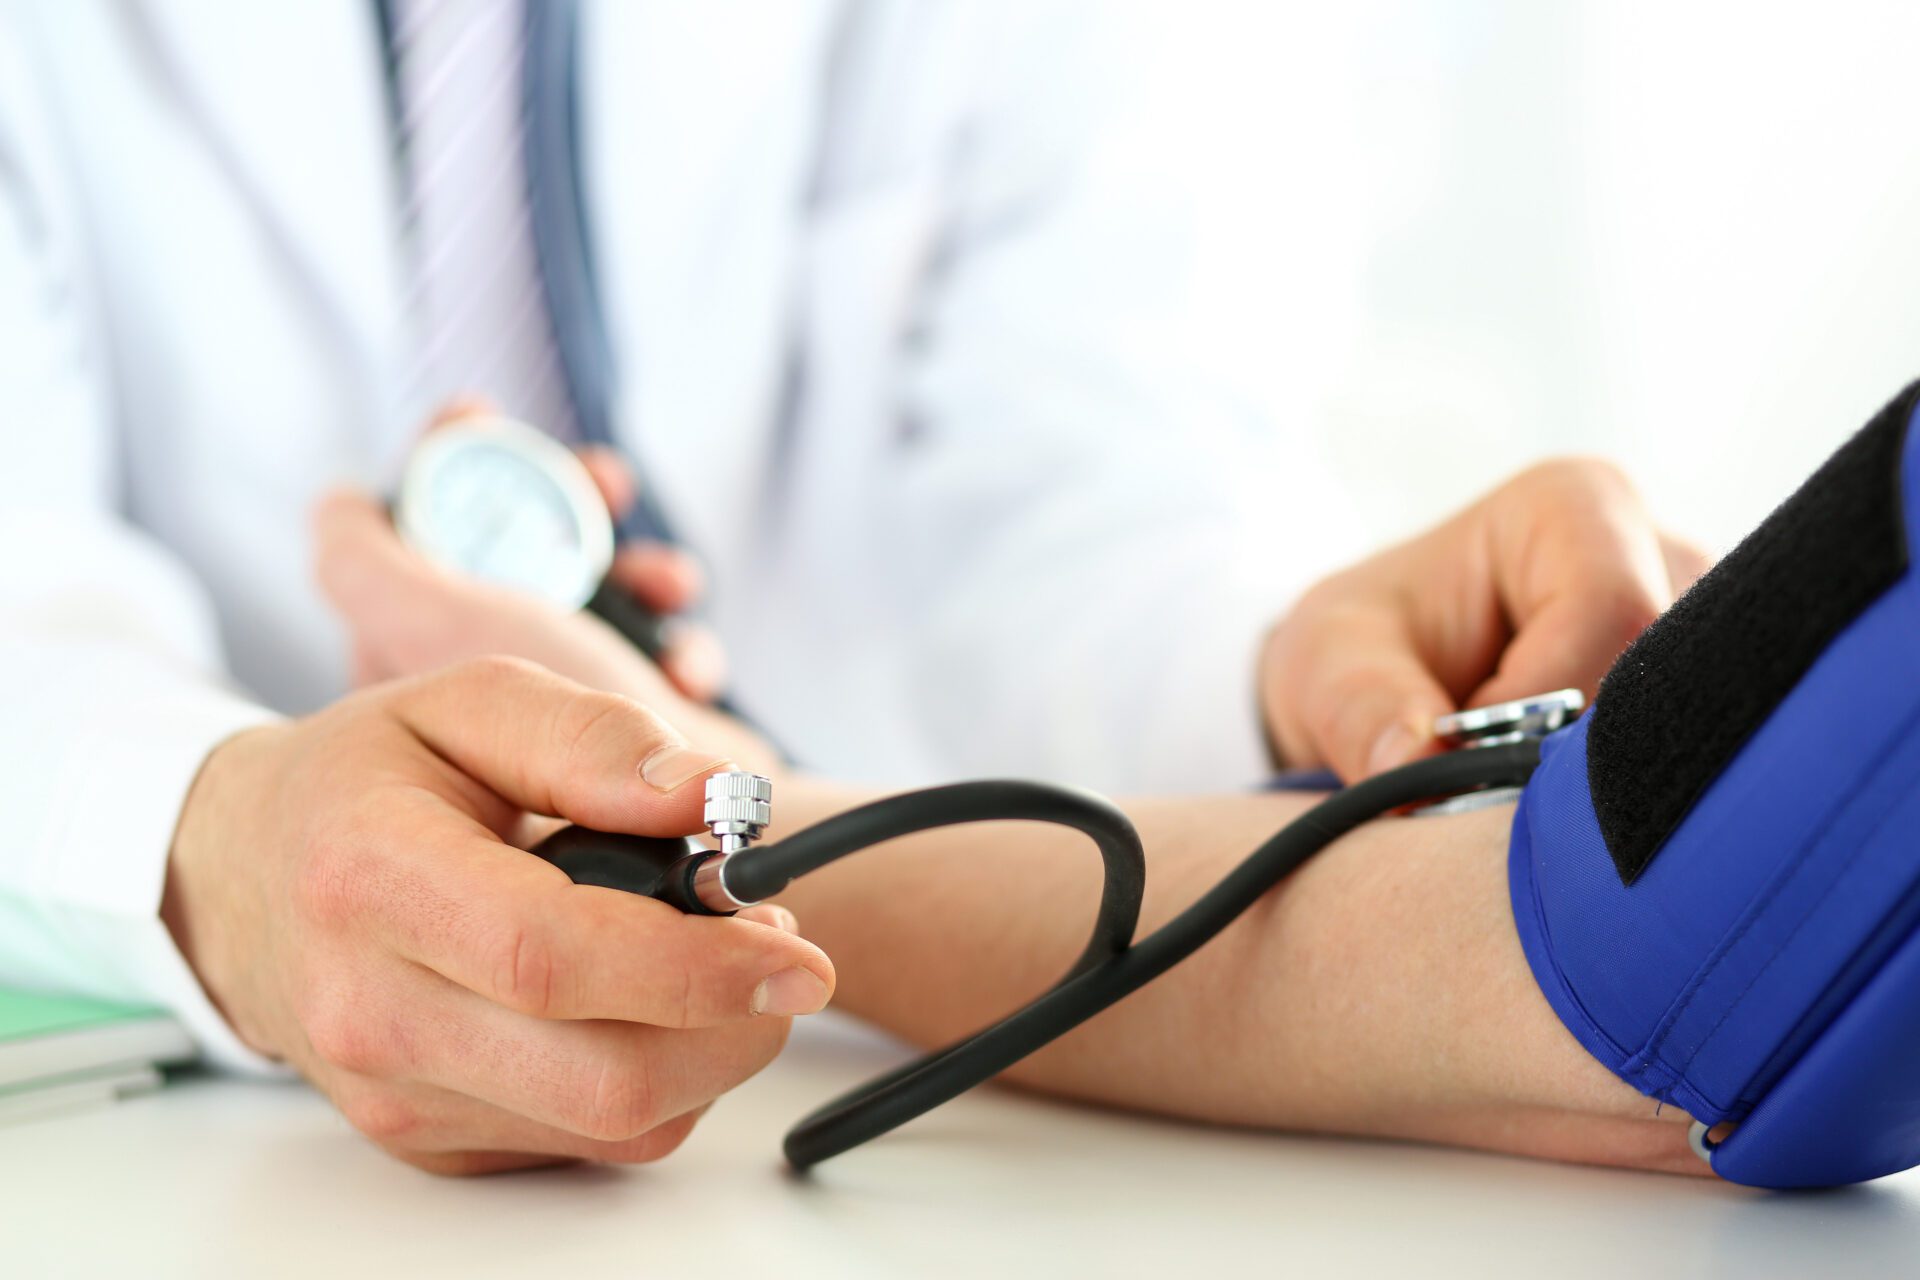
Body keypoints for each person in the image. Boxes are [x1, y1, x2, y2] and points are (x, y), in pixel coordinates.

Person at [0, 4, 1704, 1171]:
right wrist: (211, 837)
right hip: (167, 1137)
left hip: (814, 1074)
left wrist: (1281, 659)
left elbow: (1085, 461)